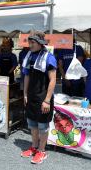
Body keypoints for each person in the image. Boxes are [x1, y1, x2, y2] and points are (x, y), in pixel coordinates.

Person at [21, 31, 57, 164]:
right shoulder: (29, 56)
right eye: (29, 42)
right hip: (31, 96)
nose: (30, 45)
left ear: (40, 43)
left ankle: (42, 150)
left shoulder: (49, 57)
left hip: (43, 98)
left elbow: (53, 80)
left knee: (43, 126)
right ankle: (34, 147)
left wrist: (47, 100)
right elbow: (27, 76)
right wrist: (25, 94)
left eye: (33, 42)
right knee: (32, 124)